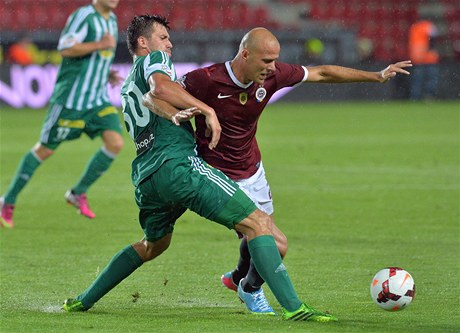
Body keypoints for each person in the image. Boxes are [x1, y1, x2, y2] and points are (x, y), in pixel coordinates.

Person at [61, 14, 338, 322]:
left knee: (153, 244)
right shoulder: (155, 59)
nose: (169, 43)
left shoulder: (128, 85)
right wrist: (207, 110)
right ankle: (294, 308)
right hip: (178, 166)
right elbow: (160, 88)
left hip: (146, 175)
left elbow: (153, 99)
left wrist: (176, 115)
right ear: (144, 42)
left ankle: (84, 300)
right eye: (163, 37)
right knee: (258, 224)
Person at [174, 28, 412, 315]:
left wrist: (376, 75)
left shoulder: (273, 76)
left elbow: (321, 73)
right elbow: (165, 92)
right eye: (265, 61)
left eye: (275, 60)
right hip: (218, 177)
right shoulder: (206, 79)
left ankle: (237, 278)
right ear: (245, 53)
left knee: (256, 240)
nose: (272, 67)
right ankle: (250, 290)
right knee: (276, 245)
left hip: (253, 170)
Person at [0, 0, 123, 228]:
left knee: (115, 142)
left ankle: (78, 192)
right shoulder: (84, 16)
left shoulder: (112, 20)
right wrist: (98, 44)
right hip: (71, 100)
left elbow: (99, 57)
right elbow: (66, 48)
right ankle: (7, 200)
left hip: (97, 100)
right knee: (44, 150)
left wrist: (106, 73)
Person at [408, 17, 439, 100]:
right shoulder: (429, 26)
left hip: (419, 57)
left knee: (418, 80)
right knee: (429, 79)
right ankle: (428, 96)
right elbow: (433, 40)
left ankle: (416, 97)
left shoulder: (414, 28)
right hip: (428, 57)